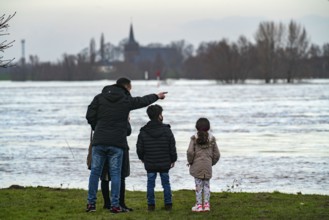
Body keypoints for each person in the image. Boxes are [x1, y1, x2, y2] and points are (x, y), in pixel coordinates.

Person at [85, 77, 167, 213]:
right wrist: (157, 96)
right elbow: (142, 101)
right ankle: (115, 205)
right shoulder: (125, 100)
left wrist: (97, 127)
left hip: (99, 141)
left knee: (95, 173)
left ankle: (91, 204)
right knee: (116, 173)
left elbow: (89, 115)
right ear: (127, 87)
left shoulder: (99, 98)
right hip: (117, 142)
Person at [136, 104, 177, 211]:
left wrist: (142, 158)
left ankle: (151, 205)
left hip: (150, 162)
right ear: (159, 116)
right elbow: (172, 146)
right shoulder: (166, 130)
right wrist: (173, 159)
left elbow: (139, 147)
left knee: (150, 184)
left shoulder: (144, 131)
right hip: (164, 162)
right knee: (166, 183)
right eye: (161, 114)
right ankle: (168, 204)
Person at [187, 118, 220, 212]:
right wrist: (211, 162)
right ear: (208, 128)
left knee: (198, 186)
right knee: (206, 186)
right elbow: (217, 154)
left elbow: (190, 152)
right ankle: (206, 205)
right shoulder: (212, 139)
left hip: (196, 166)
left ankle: (199, 205)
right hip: (207, 166)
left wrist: (190, 162)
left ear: (197, 128)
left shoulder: (194, 139)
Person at [101, 120, 133, 212]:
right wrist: (127, 120)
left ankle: (107, 203)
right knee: (121, 176)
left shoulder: (103, 111)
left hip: (104, 145)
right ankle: (120, 203)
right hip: (120, 145)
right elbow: (128, 131)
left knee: (105, 177)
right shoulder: (122, 112)